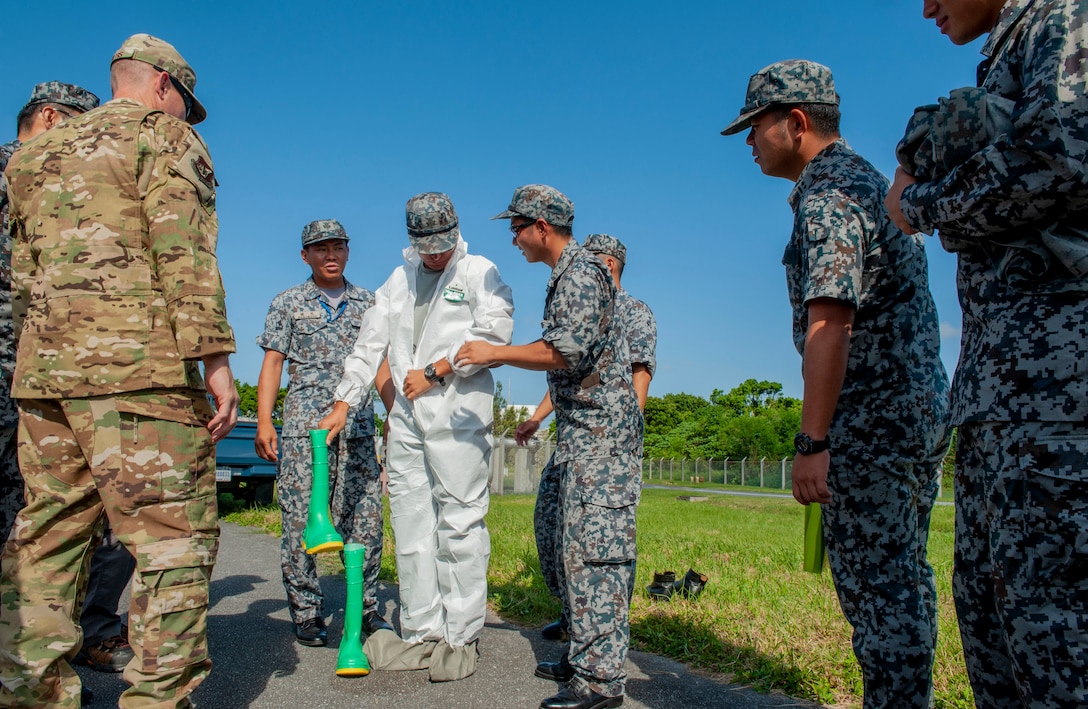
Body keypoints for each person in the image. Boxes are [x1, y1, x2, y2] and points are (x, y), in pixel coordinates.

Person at [0, 33, 239, 708]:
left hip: (46, 379)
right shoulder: (162, 138)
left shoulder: (32, 155)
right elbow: (184, 251)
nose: (184, 120)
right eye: (183, 106)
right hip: (141, 375)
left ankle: (28, 689)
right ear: (165, 86)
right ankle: (156, 698)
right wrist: (214, 359)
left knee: (44, 538)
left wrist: (39, 357)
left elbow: (24, 277)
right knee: (171, 539)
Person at [721, 60, 949, 708]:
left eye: (755, 125)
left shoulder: (829, 195)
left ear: (795, 122)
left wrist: (812, 438)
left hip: (872, 422)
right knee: (905, 581)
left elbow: (831, 322)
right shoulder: (866, 183)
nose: (749, 141)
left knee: (881, 596)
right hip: (912, 412)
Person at [885, 1, 1088, 704]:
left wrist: (929, 202)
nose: (926, 7)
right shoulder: (1014, 48)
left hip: (1058, 395)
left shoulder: (1066, 19)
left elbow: (1056, 157)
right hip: (1003, 399)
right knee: (997, 623)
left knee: (1056, 634)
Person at [456, 185, 642, 709]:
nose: (513, 238)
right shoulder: (569, 274)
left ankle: (601, 685)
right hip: (582, 439)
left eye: (517, 227)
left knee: (596, 558)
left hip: (602, 444)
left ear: (542, 225)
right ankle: (587, 658)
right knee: (571, 553)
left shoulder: (582, 273)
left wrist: (494, 353)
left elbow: (564, 350)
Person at [320, 192, 513, 682]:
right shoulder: (399, 279)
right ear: (412, 240)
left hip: (458, 416)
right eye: (425, 245)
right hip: (405, 421)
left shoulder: (479, 272)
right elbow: (369, 343)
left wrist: (436, 371)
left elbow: (496, 335)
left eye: (442, 244)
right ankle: (421, 629)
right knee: (410, 525)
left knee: (460, 523)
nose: (434, 254)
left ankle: (461, 633)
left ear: (455, 231)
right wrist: (345, 401)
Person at [255, 218, 390, 648]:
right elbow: (273, 363)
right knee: (300, 521)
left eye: (337, 248)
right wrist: (263, 420)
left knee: (366, 523)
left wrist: (396, 419)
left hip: (359, 432)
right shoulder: (288, 303)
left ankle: (364, 609)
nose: (330, 256)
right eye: (320, 249)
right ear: (305, 255)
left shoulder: (370, 303)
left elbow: (381, 366)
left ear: (348, 252)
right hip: (304, 430)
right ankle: (308, 612)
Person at [516, 233, 656, 646]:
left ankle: (596, 629)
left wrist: (621, 432)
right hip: (572, 438)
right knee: (552, 523)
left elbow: (638, 374)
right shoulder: (584, 305)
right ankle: (573, 615)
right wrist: (538, 418)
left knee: (597, 538)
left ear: (608, 264)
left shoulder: (633, 312)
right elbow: (568, 370)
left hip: (605, 438)